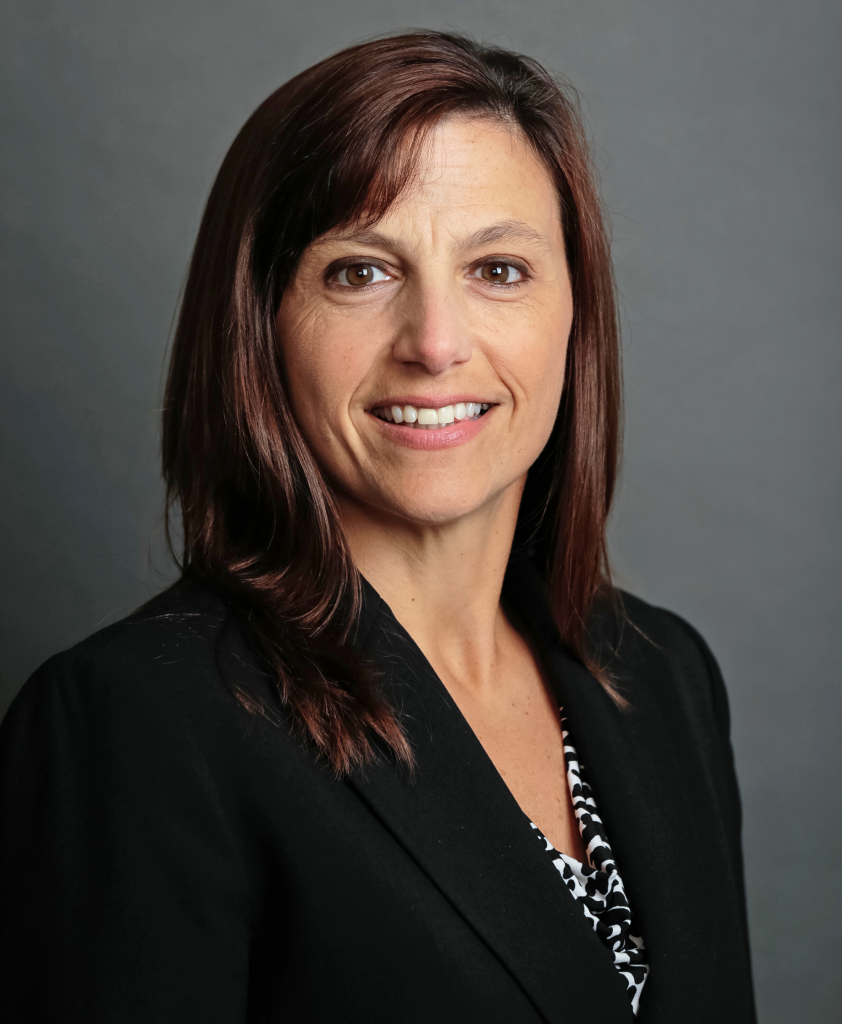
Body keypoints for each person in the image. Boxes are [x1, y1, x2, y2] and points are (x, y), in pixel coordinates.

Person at [0, 31, 755, 1023]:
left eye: (497, 269)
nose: (435, 343)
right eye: (359, 272)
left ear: (574, 311)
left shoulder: (662, 675)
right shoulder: (133, 724)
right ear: (260, 323)